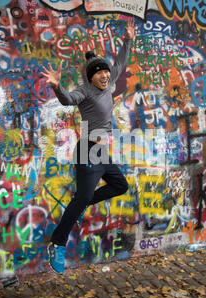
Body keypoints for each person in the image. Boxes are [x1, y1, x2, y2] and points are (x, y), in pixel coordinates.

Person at [41, 19, 135, 274]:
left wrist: (128, 39)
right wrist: (57, 86)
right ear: (90, 77)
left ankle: (81, 206)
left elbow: (120, 63)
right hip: (87, 150)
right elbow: (67, 100)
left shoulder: (109, 82)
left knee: (120, 185)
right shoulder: (85, 91)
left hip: (101, 152)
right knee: (81, 198)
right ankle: (57, 244)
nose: (105, 75)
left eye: (105, 72)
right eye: (99, 73)